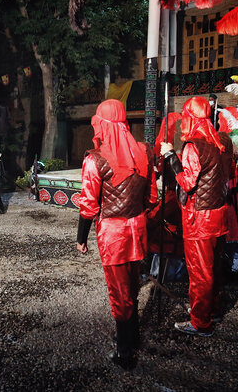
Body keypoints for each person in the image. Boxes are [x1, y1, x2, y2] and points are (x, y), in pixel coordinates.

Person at [76, 99, 158, 368]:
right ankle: (131, 337)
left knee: (119, 292)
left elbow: (88, 206)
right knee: (132, 285)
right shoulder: (144, 152)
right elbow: (152, 197)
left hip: (114, 234)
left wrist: (81, 239)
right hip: (138, 227)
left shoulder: (95, 159)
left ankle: (124, 353)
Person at [159, 96, 231, 337]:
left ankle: (201, 322)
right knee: (214, 268)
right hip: (219, 214)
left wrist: (171, 156)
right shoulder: (221, 142)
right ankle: (212, 309)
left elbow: (187, 183)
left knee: (200, 272)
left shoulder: (193, 146)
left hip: (200, 219)